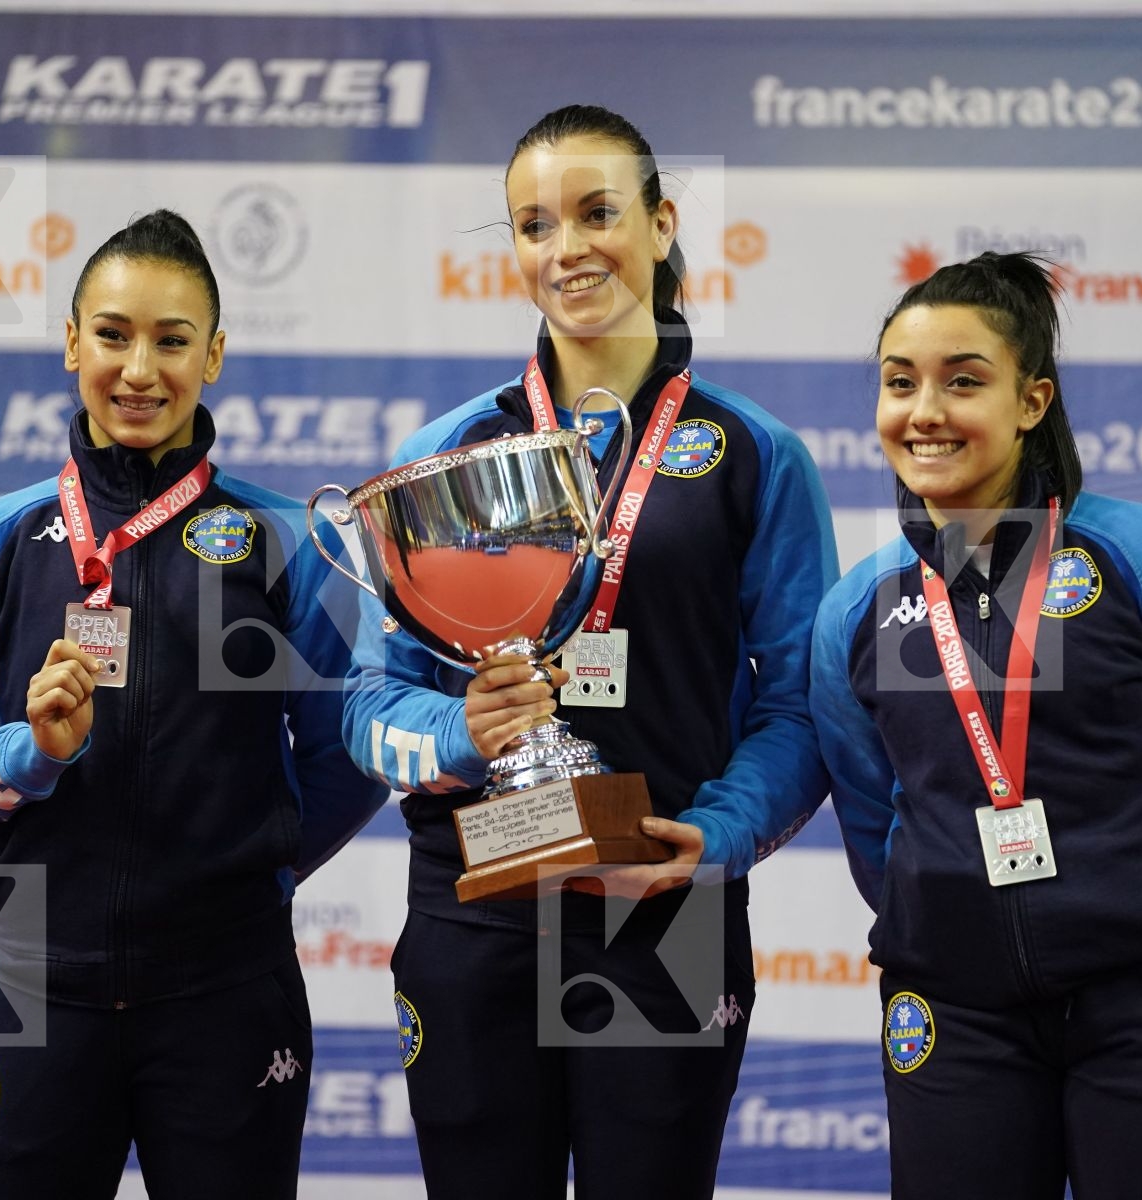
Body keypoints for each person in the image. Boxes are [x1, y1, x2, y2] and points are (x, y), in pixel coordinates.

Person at [341, 104, 837, 1199]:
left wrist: (712, 838)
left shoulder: (755, 456)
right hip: (478, 911)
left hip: (665, 913)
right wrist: (458, 732)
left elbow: (802, 708)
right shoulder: (447, 454)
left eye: (596, 212)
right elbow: (369, 698)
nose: (564, 248)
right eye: (531, 223)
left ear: (661, 225)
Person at [0, 209, 386, 1199]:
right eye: (113, 335)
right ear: (71, 342)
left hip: (227, 992)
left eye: (170, 341)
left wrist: (251, 858)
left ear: (214, 355)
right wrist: (29, 752)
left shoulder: (289, 543)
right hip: (31, 985)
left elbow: (350, 756)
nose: (138, 368)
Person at [810, 251, 1142, 1199]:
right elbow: (876, 823)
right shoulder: (856, 611)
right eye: (899, 383)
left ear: (1032, 401)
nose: (925, 411)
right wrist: (942, 922)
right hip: (952, 1013)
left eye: (965, 381)